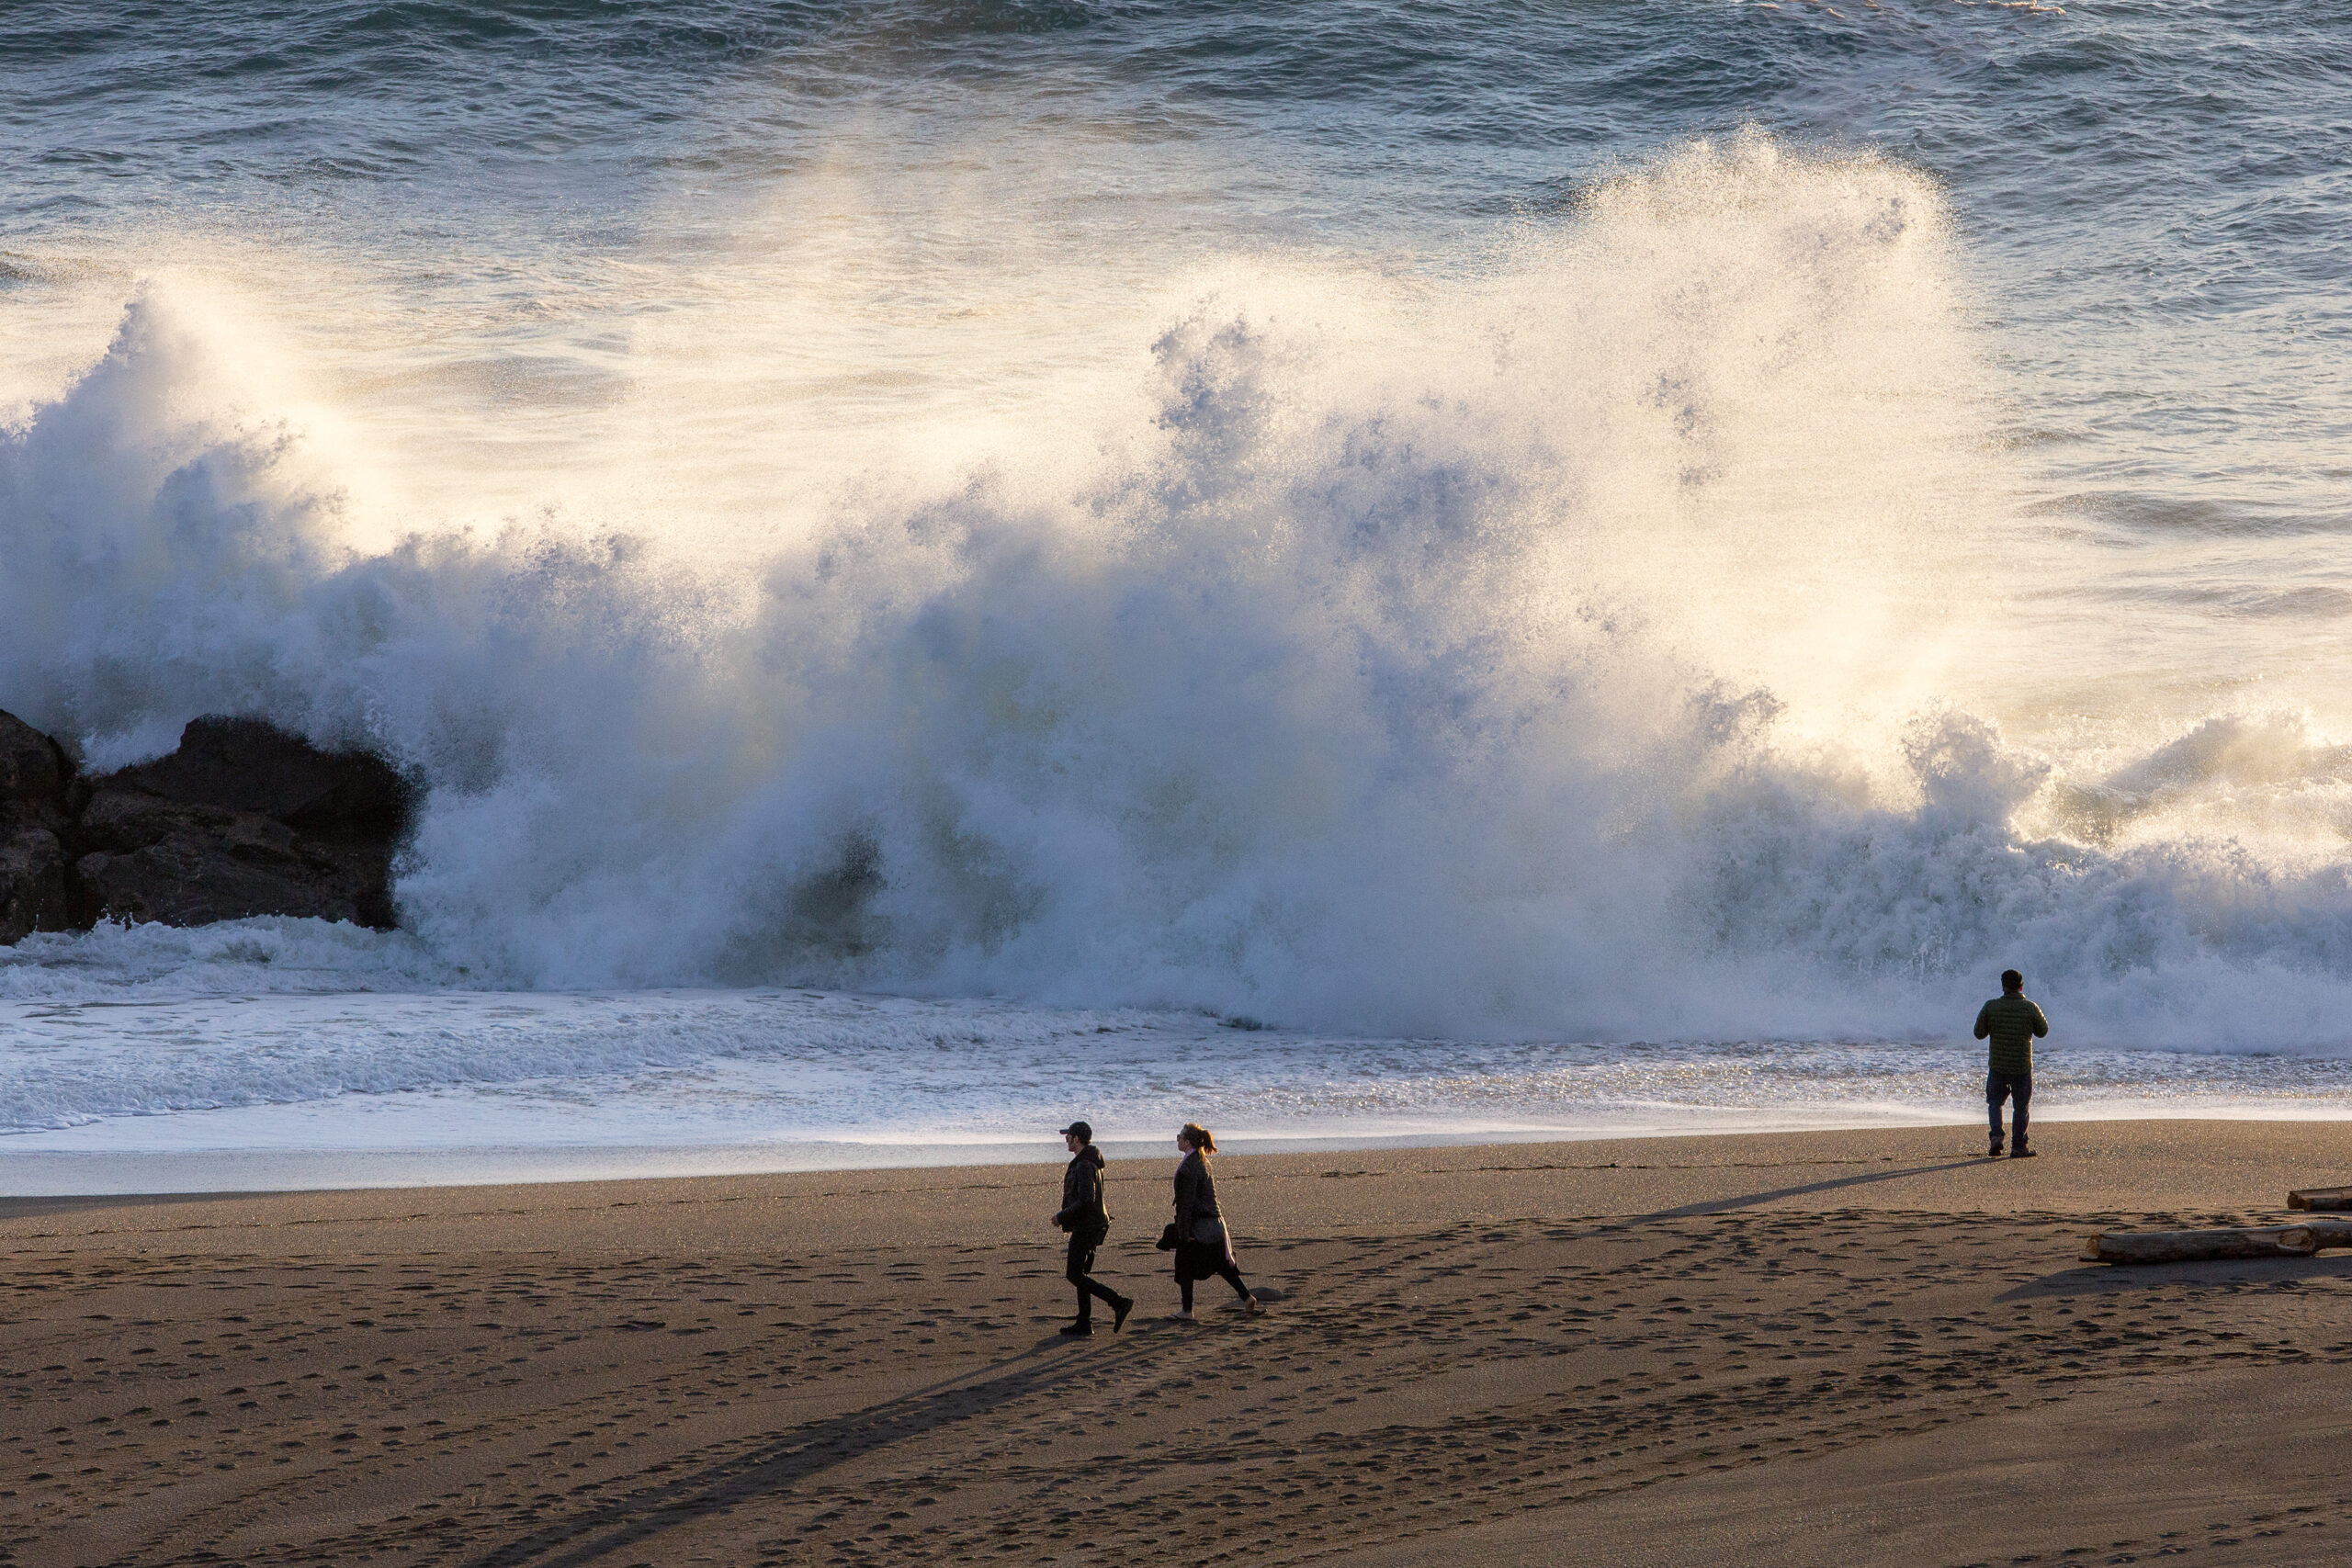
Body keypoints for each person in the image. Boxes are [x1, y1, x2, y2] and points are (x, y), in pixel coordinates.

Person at [1168, 1122, 1261, 1321]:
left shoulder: (1189, 1167)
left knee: (1185, 1264)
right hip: (1216, 1224)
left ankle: (1186, 1311)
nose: (1177, 1140)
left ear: (1187, 1141)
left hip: (1201, 1226)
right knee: (1222, 1264)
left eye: (1179, 1137)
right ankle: (1247, 1297)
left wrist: (1184, 1233)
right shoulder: (1202, 1161)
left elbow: (1187, 1203)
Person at [1052, 1121, 1133, 1337]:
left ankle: (1118, 1302)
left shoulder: (1084, 1165)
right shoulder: (1088, 1160)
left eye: (1068, 1135)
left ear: (1077, 1139)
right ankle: (1084, 1322)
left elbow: (1087, 1199)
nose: (1066, 1139)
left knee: (1074, 1275)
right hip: (1091, 1225)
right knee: (1081, 1273)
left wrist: (1062, 1216)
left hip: (1088, 1226)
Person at [1974, 969, 2050, 1159]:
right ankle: (2018, 1146)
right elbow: (2043, 1031)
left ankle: (1997, 1137)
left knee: (1994, 1102)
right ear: (2021, 987)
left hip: (1998, 1064)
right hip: (2021, 1065)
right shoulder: (2030, 1007)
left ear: (2003, 987)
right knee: (2021, 1106)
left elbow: (1979, 1033)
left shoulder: (1991, 1007)